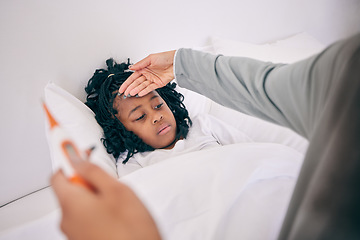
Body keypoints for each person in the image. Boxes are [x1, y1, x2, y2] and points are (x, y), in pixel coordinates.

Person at [51, 33, 360, 240]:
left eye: (157, 104)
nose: (156, 115)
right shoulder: (133, 163)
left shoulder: (203, 125)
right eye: (140, 116)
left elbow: (252, 151)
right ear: (123, 131)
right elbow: (141, 203)